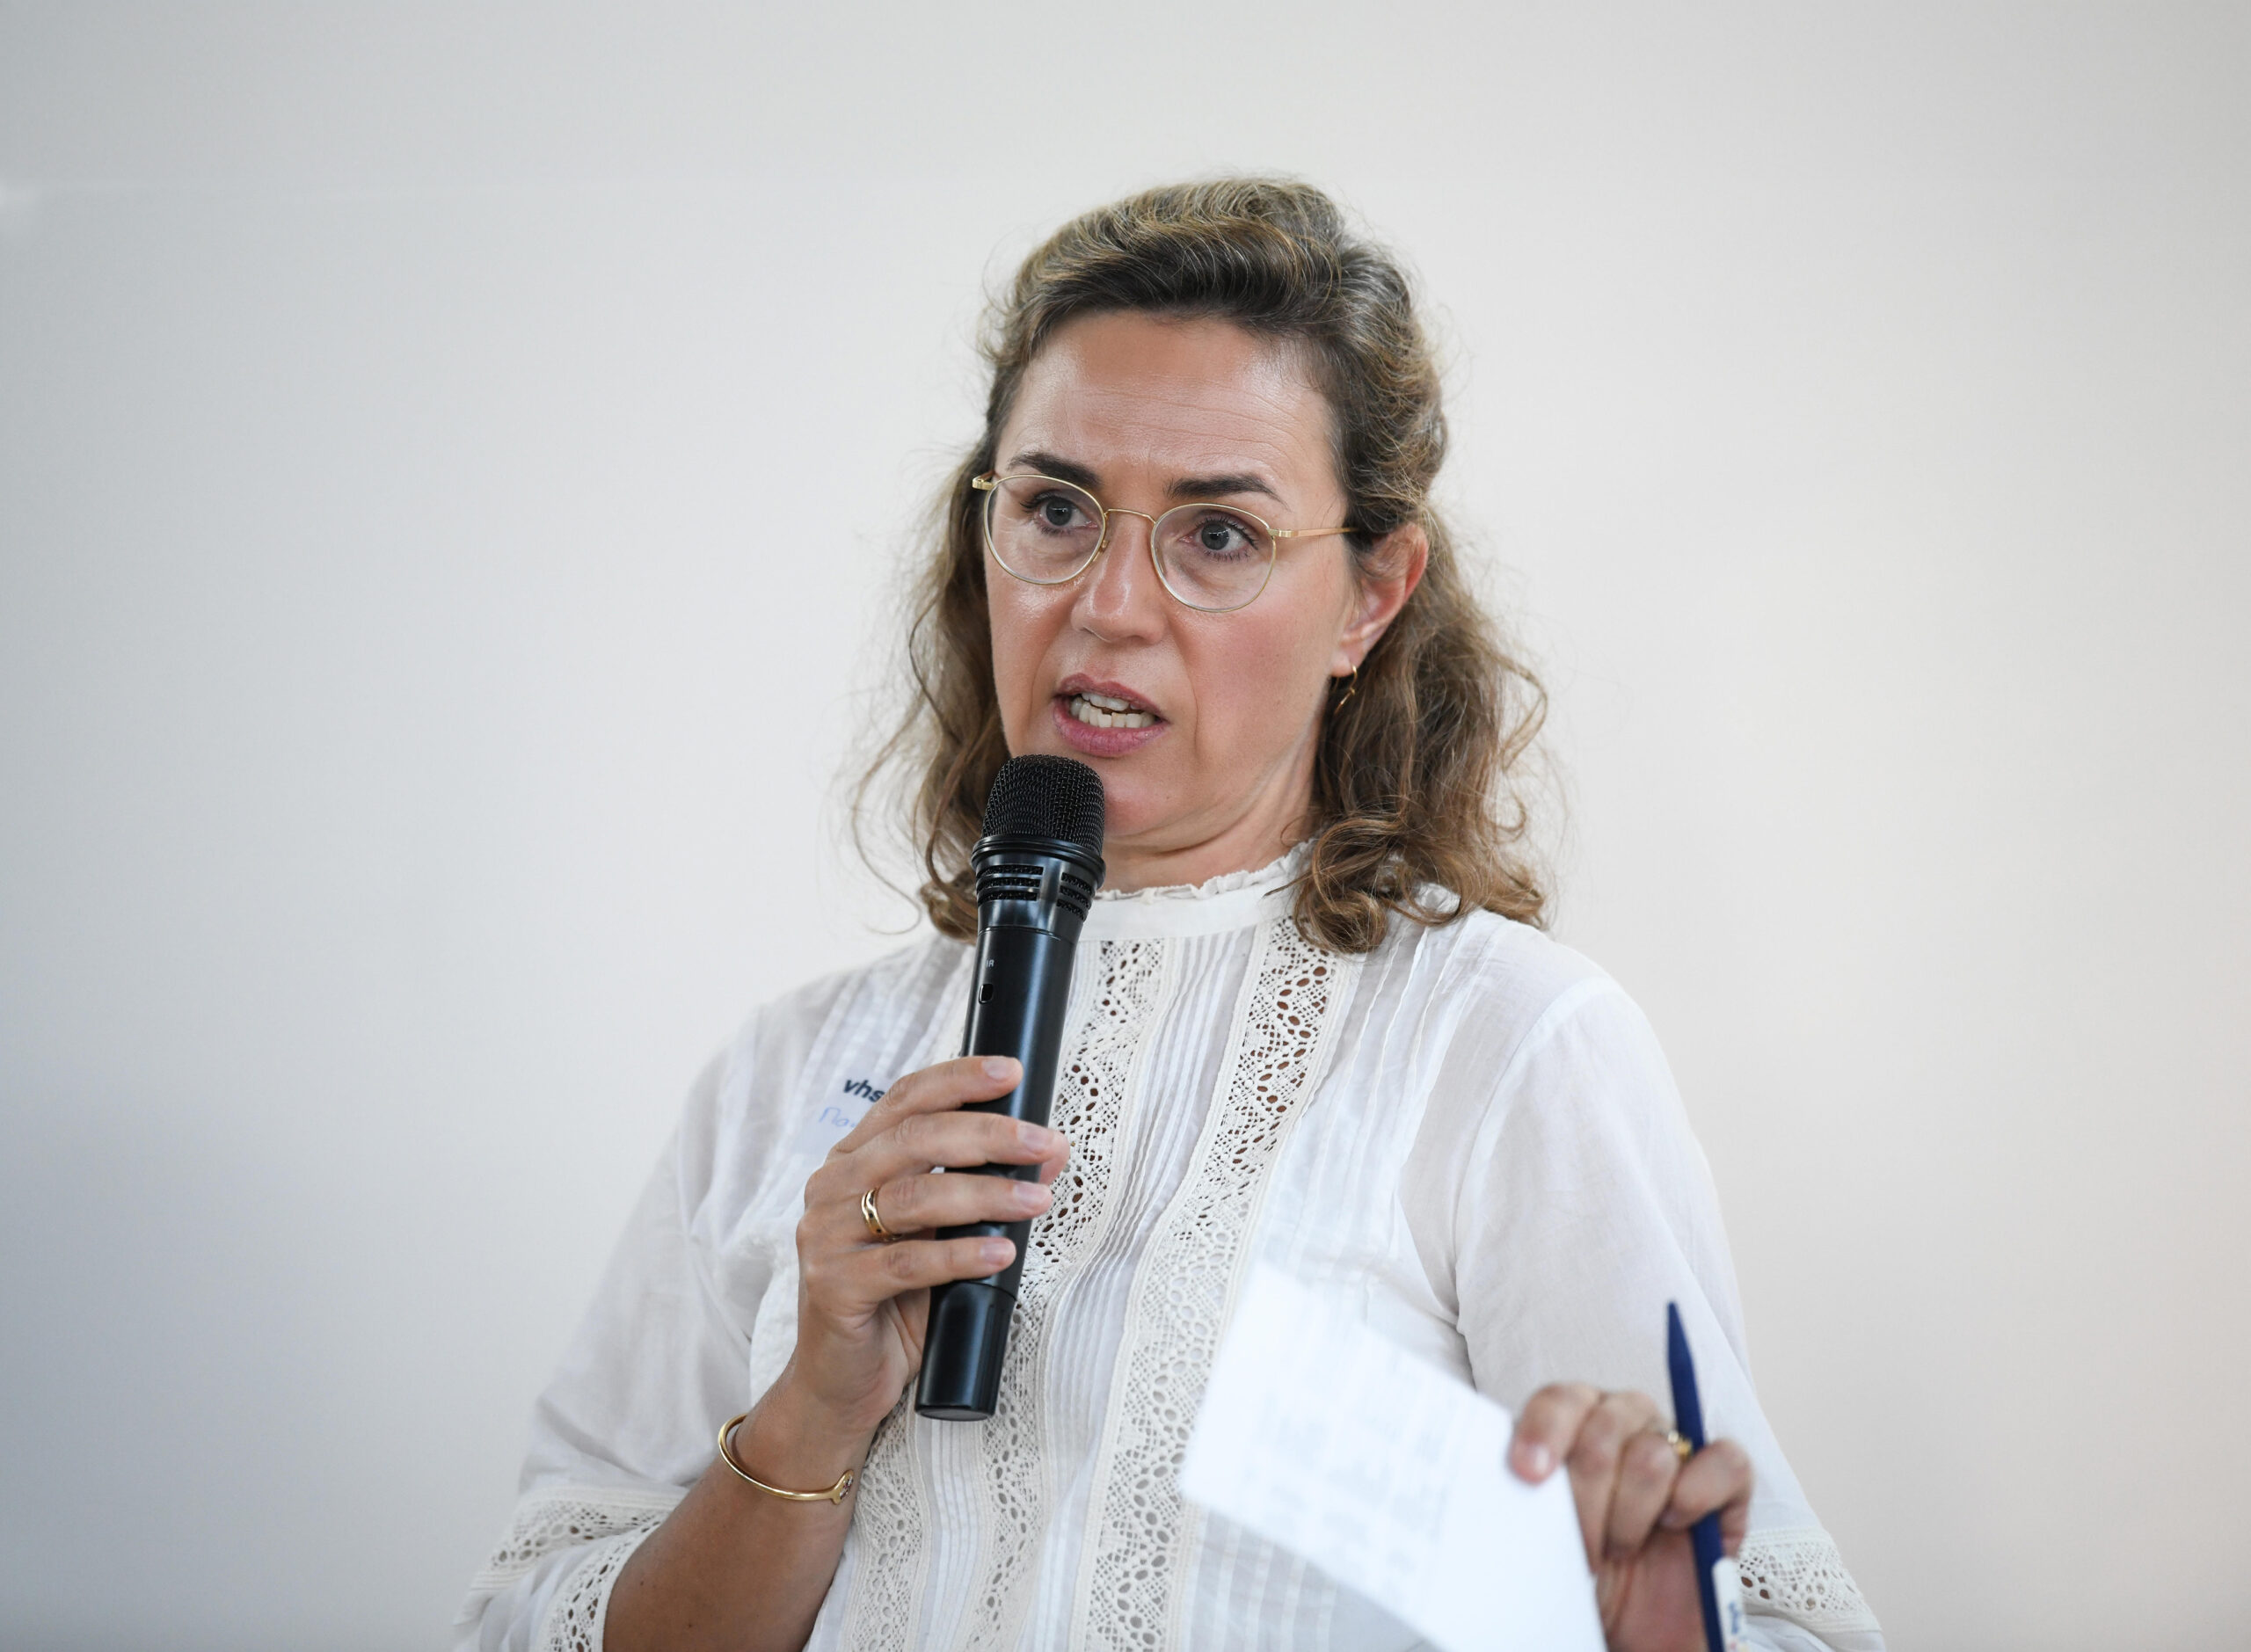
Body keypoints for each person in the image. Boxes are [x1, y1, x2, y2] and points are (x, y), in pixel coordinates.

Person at [455, 178, 1884, 1652]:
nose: (1109, 605)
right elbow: (519, 1624)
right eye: (1056, 510)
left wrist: (1645, 1632)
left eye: (1217, 534)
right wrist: (810, 1411)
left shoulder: (1508, 1048)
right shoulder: (784, 1075)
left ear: (1370, 596)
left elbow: (1779, 1621)